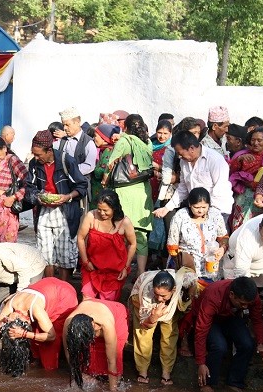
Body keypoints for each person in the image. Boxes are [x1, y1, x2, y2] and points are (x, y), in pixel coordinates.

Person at [190, 277, 263, 392]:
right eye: (242, 303)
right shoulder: (213, 296)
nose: (245, 307)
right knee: (219, 346)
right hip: (210, 320)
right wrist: (201, 363)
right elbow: (201, 330)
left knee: (247, 344)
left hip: (230, 316)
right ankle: (207, 383)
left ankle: (235, 382)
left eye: (248, 304)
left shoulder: (252, 295)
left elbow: (257, 319)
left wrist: (261, 343)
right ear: (231, 295)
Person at [27, 130, 86, 280]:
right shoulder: (34, 164)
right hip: (44, 211)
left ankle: (63, 287)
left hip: (65, 212)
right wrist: (38, 196)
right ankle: (49, 285)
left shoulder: (67, 161)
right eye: (34, 154)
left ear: (49, 151)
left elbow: (82, 186)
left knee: (65, 253)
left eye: (39, 154)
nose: (36, 157)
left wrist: (67, 197)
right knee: (45, 252)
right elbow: (29, 187)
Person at [0, 277, 79, 375]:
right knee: (35, 331)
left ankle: (51, 369)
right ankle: (36, 359)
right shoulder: (11, 304)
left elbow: (51, 335)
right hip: (48, 286)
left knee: (49, 343)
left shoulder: (36, 309)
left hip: (65, 296)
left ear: (27, 321)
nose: (9, 318)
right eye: (9, 319)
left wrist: (24, 334)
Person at [102, 114, 154, 273]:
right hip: (143, 192)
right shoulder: (148, 142)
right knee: (141, 237)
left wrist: (105, 181)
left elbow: (111, 163)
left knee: (122, 233)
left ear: (126, 127)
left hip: (125, 192)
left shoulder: (125, 141)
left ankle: (121, 269)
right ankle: (141, 272)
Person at [129, 268, 196, 385]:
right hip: (140, 298)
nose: (159, 299)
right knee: (143, 334)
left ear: (173, 290)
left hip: (171, 302)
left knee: (169, 334)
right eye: (157, 294)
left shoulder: (181, 280)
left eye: (163, 296)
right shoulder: (148, 293)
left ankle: (166, 372)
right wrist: (154, 316)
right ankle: (142, 371)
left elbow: (194, 279)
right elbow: (145, 324)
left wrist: (189, 297)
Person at [154, 130, 232, 221]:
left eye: (180, 153)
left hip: (218, 211)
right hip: (198, 212)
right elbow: (183, 188)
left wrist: (205, 213)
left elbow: (219, 190)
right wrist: (167, 208)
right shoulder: (184, 162)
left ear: (191, 148)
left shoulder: (215, 160)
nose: (179, 157)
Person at [76, 189, 137, 300]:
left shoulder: (125, 222)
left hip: (114, 272)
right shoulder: (91, 216)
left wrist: (126, 267)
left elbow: (132, 244)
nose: (102, 213)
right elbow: (80, 238)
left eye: (105, 210)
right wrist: (85, 261)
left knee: (107, 304)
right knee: (87, 298)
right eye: (99, 209)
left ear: (114, 208)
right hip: (92, 268)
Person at [63, 299, 129, 391]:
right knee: (88, 374)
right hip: (91, 306)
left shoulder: (106, 324)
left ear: (94, 326)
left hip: (116, 313)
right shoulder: (69, 324)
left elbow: (112, 361)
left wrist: (113, 391)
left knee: (116, 378)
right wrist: (78, 374)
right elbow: (69, 353)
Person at [167, 187, 227, 278]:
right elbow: (172, 244)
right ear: (190, 204)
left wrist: (222, 248)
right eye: (196, 207)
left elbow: (223, 237)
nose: (200, 210)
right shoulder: (180, 216)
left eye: (204, 207)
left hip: (211, 268)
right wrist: (180, 263)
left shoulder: (215, 215)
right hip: (187, 269)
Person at [228, 126, 263, 231]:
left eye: (259, 140)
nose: (255, 143)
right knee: (239, 227)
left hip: (261, 198)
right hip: (242, 196)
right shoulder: (242, 155)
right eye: (253, 140)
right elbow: (230, 174)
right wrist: (239, 160)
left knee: (257, 227)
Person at [0, 136, 27, 244]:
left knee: (6, 245)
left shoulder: (12, 160)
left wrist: (14, 197)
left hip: (6, 209)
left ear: (4, 148)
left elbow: (28, 182)